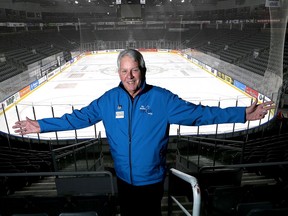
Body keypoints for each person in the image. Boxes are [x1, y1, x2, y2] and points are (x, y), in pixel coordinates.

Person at [13, 49, 274, 216]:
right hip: (124, 182)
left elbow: (200, 114)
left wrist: (241, 114)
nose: (130, 76)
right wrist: (42, 125)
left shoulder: (162, 99)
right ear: (118, 72)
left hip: (151, 183)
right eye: (125, 71)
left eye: (134, 70)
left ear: (142, 70)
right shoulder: (108, 100)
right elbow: (78, 118)